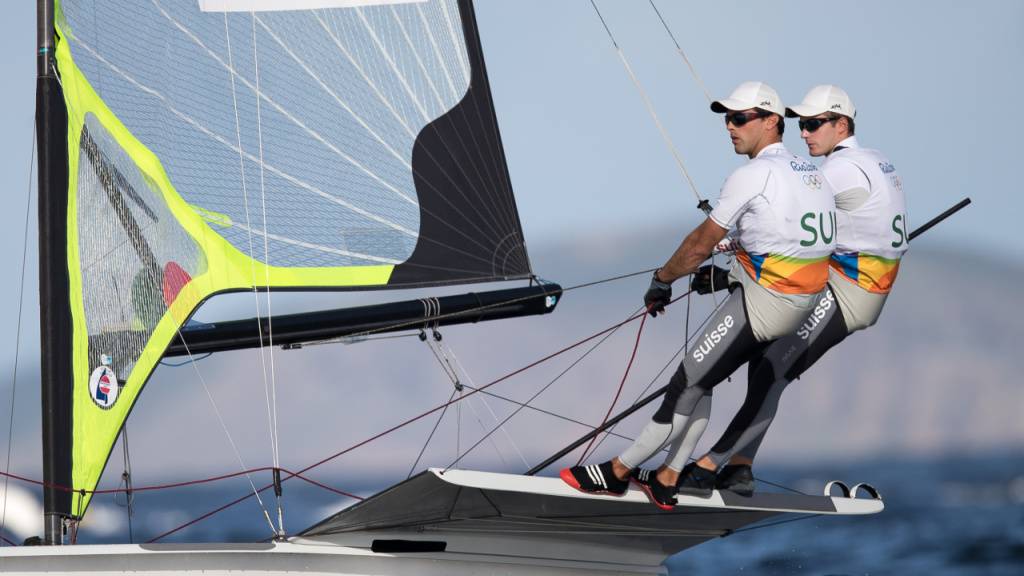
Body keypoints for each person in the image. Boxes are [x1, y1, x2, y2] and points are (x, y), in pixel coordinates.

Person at [559, 81, 837, 509]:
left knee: (685, 383)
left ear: (771, 122)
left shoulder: (754, 174)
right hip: (799, 307)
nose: (730, 126)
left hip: (764, 307)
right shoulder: (810, 174)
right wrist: (731, 274)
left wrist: (662, 279)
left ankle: (616, 473)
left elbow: (697, 245)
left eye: (740, 118)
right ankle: (668, 477)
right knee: (703, 379)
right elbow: (782, 241)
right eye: (727, 118)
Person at [685, 85, 910, 496]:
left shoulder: (837, 170)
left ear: (841, 124)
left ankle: (706, 465)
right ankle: (738, 468)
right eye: (802, 124)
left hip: (847, 290)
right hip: (853, 283)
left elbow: (787, 220)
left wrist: (724, 248)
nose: (804, 134)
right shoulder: (876, 160)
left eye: (813, 124)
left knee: (774, 369)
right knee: (766, 367)